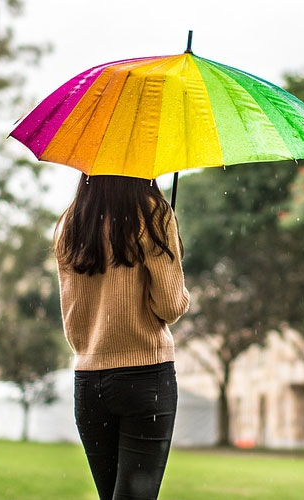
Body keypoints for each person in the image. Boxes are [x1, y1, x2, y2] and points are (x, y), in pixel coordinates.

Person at [54, 173, 190, 500]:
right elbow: (169, 307)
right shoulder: (153, 213)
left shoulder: (71, 222)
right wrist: (181, 288)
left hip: (88, 382)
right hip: (145, 377)